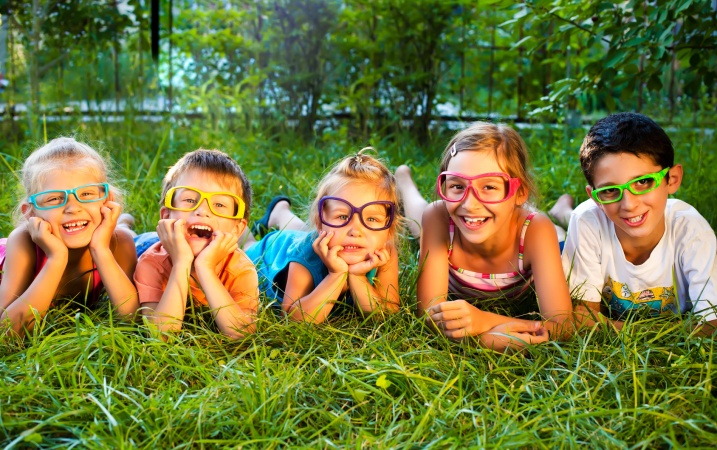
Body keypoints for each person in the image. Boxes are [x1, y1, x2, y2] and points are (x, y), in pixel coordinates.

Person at [396, 122, 573, 352]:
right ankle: (403, 180)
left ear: (519, 193)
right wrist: (488, 338)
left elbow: (563, 326)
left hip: (540, 235)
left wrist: (484, 322)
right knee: (420, 220)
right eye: (457, 186)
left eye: (489, 186)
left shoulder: (536, 231)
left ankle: (563, 212)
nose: (470, 204)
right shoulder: (439, 216)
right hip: (461, 221)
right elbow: (428, 315)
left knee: (556, 229)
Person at [560, 112, 717, 332]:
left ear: (672, 180)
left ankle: (562, 210)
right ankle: (563, 213)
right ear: (594, 197)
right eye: (610, 190)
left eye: (643, 182)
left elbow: (711, 323)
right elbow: (583, 317)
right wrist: (676, 331)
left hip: (601, 225)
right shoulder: (586, 221)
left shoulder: (692, 231)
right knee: (561, 235)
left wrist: (612, 326)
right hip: (584, 231)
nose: (629, 204)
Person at [243, 148, 401, 323]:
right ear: (320, 222)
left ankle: (280, 212)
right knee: (247, 245)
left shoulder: (384, 251)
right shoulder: (304, 253)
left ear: (389, 228)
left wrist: (357, 277)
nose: (355, 231)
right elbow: (292, 320)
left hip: (312, 236)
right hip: (274, 251)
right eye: (342, 216)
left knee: (312, 231)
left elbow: (388, 315)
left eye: (371, 218)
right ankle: (258, 222)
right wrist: (336, 275)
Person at [0, 137, 138, 337]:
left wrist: (100, 249)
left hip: (115, 235)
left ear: (107, 201)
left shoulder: (119, 243)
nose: (73, 208)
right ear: (31, 213)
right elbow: (5, 333)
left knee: (127, 233)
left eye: (87, 194)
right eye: (54, 198)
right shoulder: (22, 243)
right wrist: (56, 258)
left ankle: (124, 221)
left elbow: (133, 319)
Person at [134, 149, 259, 339]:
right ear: (167, 216)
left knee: (252, 244)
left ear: (236, 228)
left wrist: (205, 268)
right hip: (143, 244)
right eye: (190, 200)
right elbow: (161, 335)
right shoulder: (151, 263)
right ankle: (125, 223)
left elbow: (241, 333)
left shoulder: (240, 268)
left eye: (219, 205)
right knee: (127, 235)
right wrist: (181, 262)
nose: (202, 211)